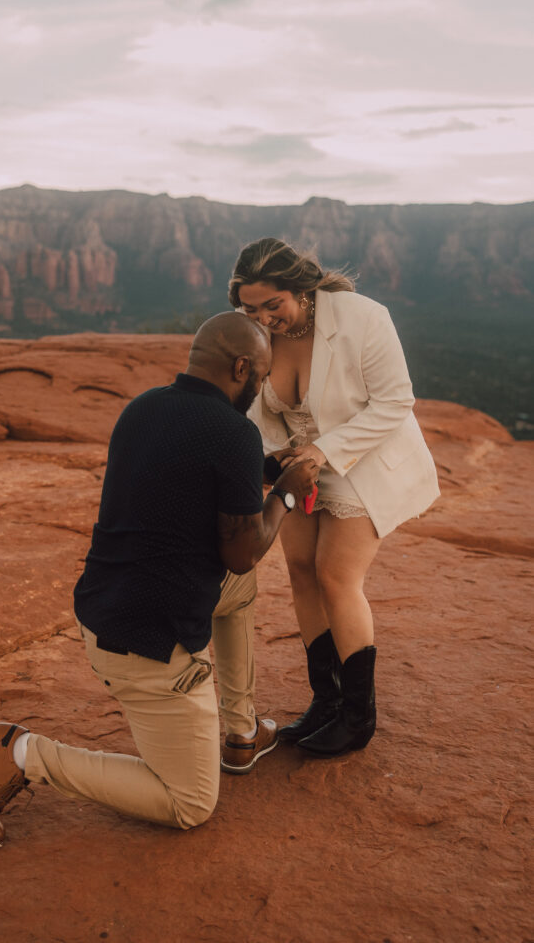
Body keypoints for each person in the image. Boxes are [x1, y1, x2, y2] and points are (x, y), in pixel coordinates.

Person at [0, 312, 316, 846]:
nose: (261, 388)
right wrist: (285, 491)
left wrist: (260, 468)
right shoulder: (234, 433)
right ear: (242, 366)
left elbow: (186, 470)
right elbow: (244, 553)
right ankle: (19, 753)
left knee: (238, 595)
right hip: (151, 646)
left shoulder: (142, 409)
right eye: (261, 378)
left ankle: (241, 733)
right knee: (190, 802)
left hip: (106, 609)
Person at [229, 238, 440, 758]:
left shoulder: (363, 317)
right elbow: (259, 409)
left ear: (301, 289)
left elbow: (396, 400)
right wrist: (279, 457)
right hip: (296, 460)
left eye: (272, 305)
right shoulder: (253, 332)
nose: (262, 318)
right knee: (299, 568)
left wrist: (323, 451)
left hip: (361, 457)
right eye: (249, 308)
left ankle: (358, 716)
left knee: (335, 575)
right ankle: (326, 701)